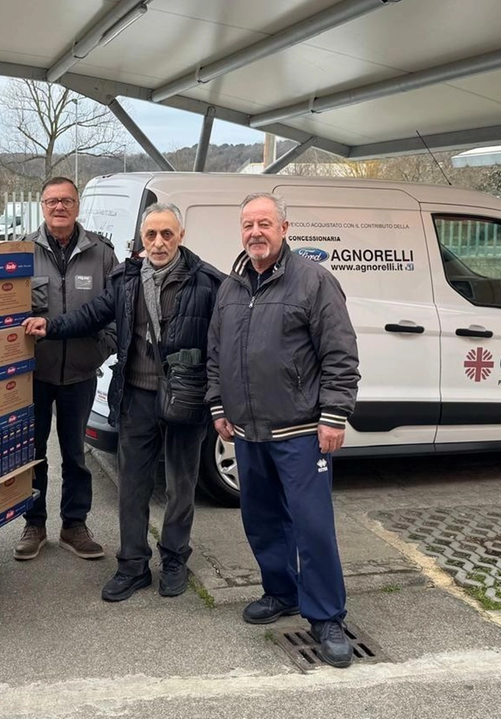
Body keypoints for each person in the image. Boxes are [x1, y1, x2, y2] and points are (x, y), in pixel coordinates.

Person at [24, 203, 224, 601]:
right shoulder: (126, 278)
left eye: (167, 234)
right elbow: (93, 314)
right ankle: (133, 564)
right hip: (136, 397)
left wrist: (220, 400)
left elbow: (223, 345)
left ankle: (174, 560)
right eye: (151, 235)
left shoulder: (208, 282)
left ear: (181, 236)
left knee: (182, 485)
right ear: (141, 240)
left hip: (186, 399)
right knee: (133, 485)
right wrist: (51, 326)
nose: (159, 242)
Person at [205, 192, 361, 668]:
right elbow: (216, 353)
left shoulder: (314, 282)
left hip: (301, 432)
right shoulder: (230, 288)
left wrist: (334, 416)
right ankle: (281, 592)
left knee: (312, 526)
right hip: (248, 432)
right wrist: (218, 406)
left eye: (265, 224)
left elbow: (340, 355)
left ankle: (327, 616)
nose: (256, 232)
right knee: (262, 521)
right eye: (248, 224)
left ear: (284, 228)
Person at [15, 176, 119, 562]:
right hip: (34, 374)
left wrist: (100, 349)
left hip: (80, 372)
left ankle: (75, 525)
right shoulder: (22, 251)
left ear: (78, 206)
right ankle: (35, 522)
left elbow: (116, 308)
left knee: (76, 454)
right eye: (52, 201)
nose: (59, 207)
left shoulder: (101, 253)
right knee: (33, 451)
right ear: (41, 205)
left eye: (67, 201)